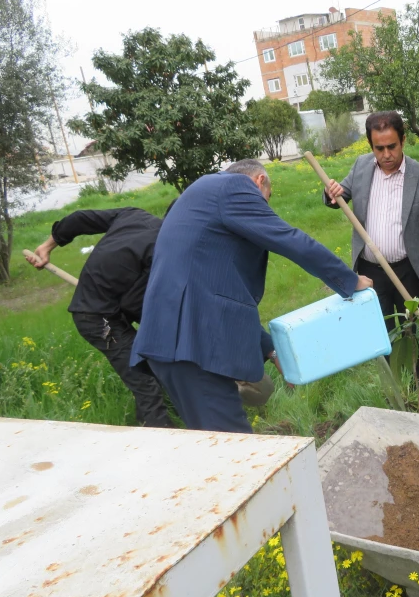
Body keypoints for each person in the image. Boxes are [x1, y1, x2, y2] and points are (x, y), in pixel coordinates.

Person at [131, 159, 372, 433]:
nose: (263, 208)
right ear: (260, 181)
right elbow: (288, 238)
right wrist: (350, 280)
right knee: (232, 448)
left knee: (214, 439)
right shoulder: (235, 187)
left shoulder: (203, 192)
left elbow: (212, 290)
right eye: (266, 200)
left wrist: (269, 349)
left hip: (176, 341)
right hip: (192, 344)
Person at [26, 208, 176, 428]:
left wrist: (48, 246)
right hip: (98, 321)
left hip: (104, 310)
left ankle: (147, 425)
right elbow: (133, 304)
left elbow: (79, 219)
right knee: (143, 379)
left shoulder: (134, 215)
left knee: (145, 370)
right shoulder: (163, 249)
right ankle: (162, 436)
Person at [322, 111, 419, 332]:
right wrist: (331, 192)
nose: (386, 154)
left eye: (392, 146)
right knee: (382, 334)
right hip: (370, 272)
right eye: (379, 148)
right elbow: (341, 196)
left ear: (403, 140)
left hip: (409, 271)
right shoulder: (361, 167)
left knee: (416, 333)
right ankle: (392, 367)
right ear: (370, 145)